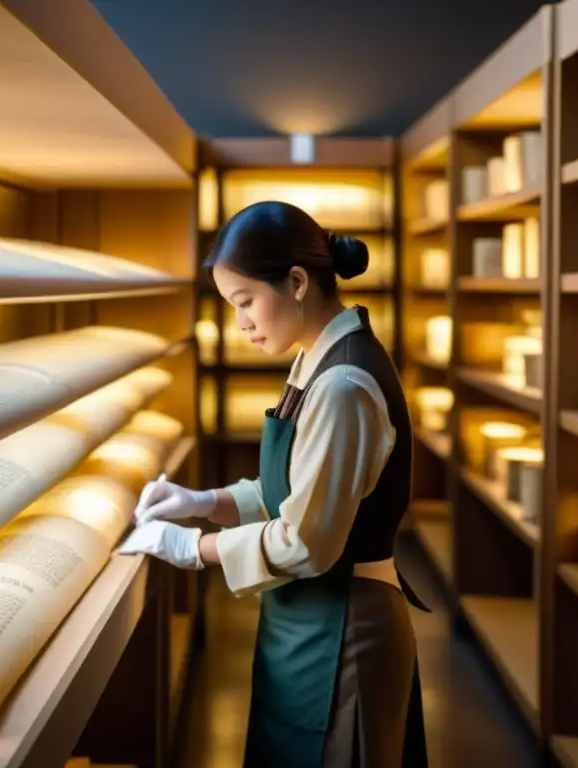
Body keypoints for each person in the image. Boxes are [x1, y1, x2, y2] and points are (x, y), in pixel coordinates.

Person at [119, 200, 429, 768]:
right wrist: (205, 502)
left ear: (297, 281)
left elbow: (307, 540)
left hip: (346, 629)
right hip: (310, 622)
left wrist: (193, 548)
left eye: (245, 302)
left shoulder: (343, 383)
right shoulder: (316, 358)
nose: (240, 323)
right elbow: (295, 489)